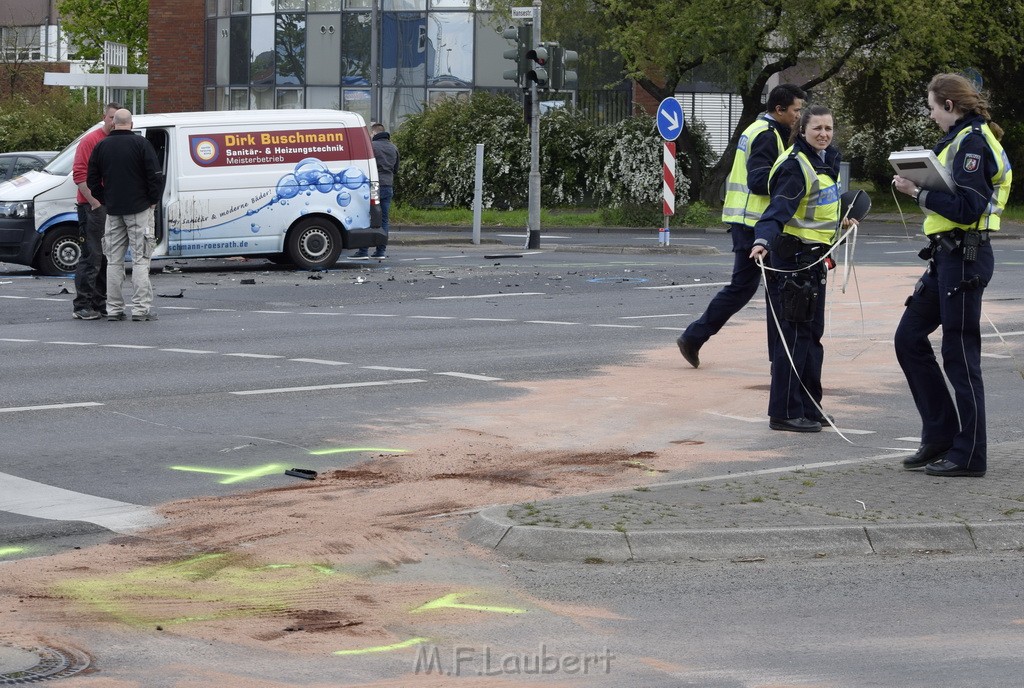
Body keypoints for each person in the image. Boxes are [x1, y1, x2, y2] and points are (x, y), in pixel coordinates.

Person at [892, 74, 1012, 477]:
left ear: (948, 105)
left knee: (960, 357)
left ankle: (970, 455)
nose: (930, 114)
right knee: (908, 339)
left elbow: (968, 209)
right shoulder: (960, 139)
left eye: (931, 106)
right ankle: (941, 436)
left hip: (965, 256)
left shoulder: (973, 142)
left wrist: (917, 192)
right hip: (948, 257)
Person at [677, 84, 805, 367]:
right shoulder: (767, 135)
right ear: (779, 110)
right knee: (775, 290)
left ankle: (694, 337)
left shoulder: (763, 130)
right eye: (796, 110)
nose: (799, 115)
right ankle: (780, 362)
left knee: (745, 288)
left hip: (750, 222)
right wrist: (794, 184)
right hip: (755, 224)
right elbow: (758, 181)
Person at [750, 105, 850, 433]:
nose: (824, 134)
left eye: (829, 128)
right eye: (817, 128)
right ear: (802, 130)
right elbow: (778, 208)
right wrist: (762, 240)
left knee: (811, 337)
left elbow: (819, 209)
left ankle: (810, 406)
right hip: (792, 262)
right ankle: (784, 411)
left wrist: (842, 221)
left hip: (814, 261)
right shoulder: (797, 166)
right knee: (793, 338)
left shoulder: (825, 160)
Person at [86, 109, 163, 322]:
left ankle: (114, 309)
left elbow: (92, 179)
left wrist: (105, 199)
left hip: (113, 211)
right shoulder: (141, 145)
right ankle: (140, 309)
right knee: (140, 259)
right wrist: (152, 201)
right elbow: (155, 176)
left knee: (113, 261)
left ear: (113, 124)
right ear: (131, 123)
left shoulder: (101, 146)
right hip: (139, 209)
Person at [71, 102, 119, 320]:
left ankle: (99, 303)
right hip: (92, 206)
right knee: (92, 255)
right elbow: (79, 174)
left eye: (117, 119)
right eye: (111, 118)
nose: (114, 122)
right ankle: (82, 305)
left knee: (106, 257)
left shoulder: (116, 141)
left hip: (110, 205)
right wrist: (94, 202)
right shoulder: (90, 140)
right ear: (104, 118)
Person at [352, 122, 399, 260]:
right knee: (384, 219)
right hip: (388, 185)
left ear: (374, 133)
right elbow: (396, 169)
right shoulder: (393, 148)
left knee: (367, 216)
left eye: (371, 134)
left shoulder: (371, 147)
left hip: (374, 186)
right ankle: (380, 251)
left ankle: (363, 250)